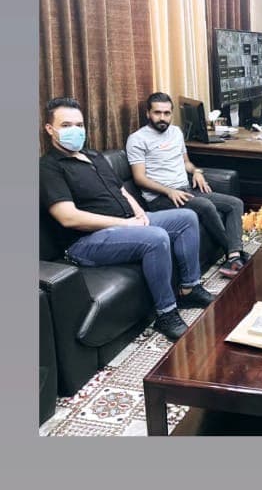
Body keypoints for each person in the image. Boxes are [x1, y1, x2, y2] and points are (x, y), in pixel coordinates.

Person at [40, 97, 215, 342]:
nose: (75, 131)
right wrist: (126, 223)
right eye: (66, 125)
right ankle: (166, 313)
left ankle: (189, 288)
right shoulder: (48, 167)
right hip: (86, 241)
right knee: (156, 238)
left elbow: (120, 189)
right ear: (50, 129)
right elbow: (68, 218)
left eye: (79, 125)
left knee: (186, 217)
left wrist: (139, 213)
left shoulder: (93, 155)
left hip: (126, 224)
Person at [126, 92, 248, 278]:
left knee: (235, 203)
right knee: (205, 205)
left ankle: (234, 254)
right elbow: (139, 178)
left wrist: (197, 172)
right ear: (148, 113)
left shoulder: (176, 132)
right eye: (157, 113)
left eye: (167, 113)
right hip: (160, 198)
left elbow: (186, 162)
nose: (162, 118)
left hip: (186, 190)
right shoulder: (137, 139)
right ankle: (234, 254)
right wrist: (169, 191)